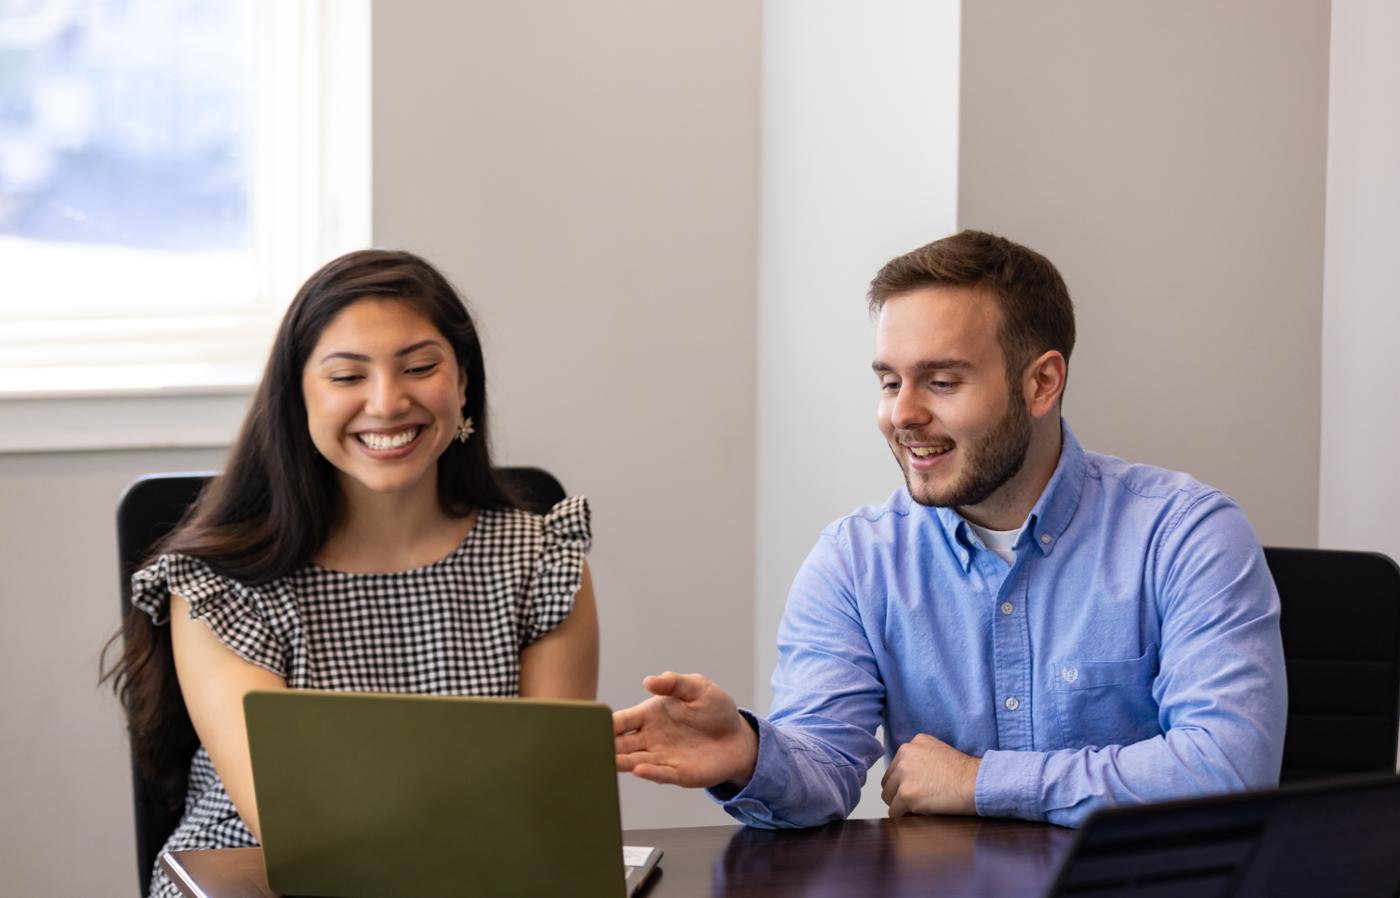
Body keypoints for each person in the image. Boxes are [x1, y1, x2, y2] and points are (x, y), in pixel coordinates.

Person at [613, 230, 1285, 828]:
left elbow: (1228, 770)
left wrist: (978, 782)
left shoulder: (1185, 535)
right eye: (887, 382)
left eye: (940, 381)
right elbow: (822, 769)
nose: (902, 415)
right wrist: (750, 756)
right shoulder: (856, 561)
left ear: (1042, 383)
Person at [101, 250, 598, 898]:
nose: (388, 404)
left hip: (479, 879)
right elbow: (298, 825)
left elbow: (541, 801)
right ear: (297, 397)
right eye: (346, 377)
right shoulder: (220, 586)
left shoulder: (543, 561)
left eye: (420, 368)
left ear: (463, 384)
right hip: (259, 881)